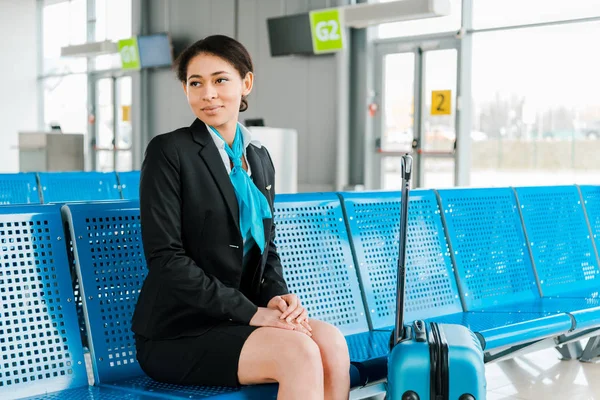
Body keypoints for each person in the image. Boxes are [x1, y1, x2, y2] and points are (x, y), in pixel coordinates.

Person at [131, 35, 351, 400]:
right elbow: (166, 260)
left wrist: (280, 300)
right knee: (298, 353)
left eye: (220, 80)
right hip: (179, 331)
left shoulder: (258, 157)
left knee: (330, 342)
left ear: (245, 83)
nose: (208, 94)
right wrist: (253, 313)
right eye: (195, 83)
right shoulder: (169, 152)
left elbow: (267, 248)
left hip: (236, 322)